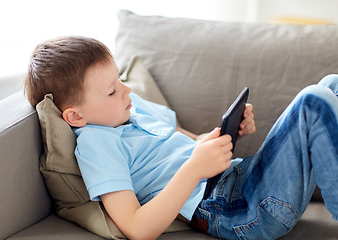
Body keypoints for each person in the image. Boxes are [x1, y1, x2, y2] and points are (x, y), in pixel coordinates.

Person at [24, 36, 338, 240]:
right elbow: (135, 227)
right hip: (235, 208)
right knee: (314, 101)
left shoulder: (131, 110)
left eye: (119, 79)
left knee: (331, 85)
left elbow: (193, 144)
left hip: (242, 176)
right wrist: (194, 170)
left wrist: (225, 135)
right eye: (111, 90)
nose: (127, 89)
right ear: (75, 116)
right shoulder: (97, 143)